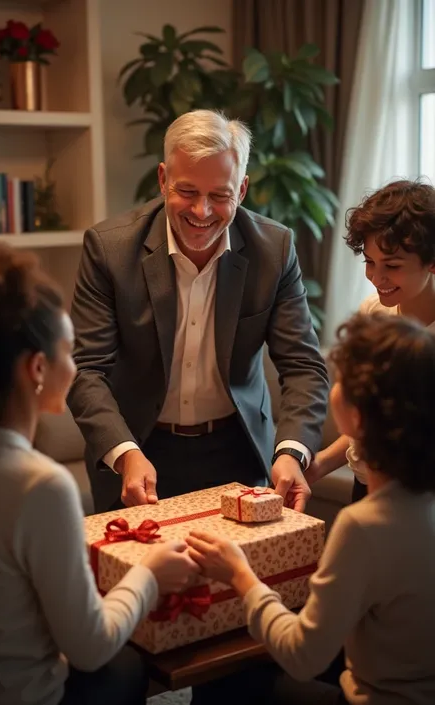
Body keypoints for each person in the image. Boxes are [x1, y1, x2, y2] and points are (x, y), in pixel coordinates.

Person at [0, 243, 198, 705]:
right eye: (71, 352)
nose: (77, 369)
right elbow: (90, 648)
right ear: (37, 369)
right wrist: (150, 574)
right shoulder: (40, 485)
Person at [68, 109, 328, 514]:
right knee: (138, 576)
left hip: (237, 452)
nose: (202, 211)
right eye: (187, 192)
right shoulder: (109, 250)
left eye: (219, 196)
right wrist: (124, 453)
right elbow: (87, 369)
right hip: (137, 452)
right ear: (162, 179)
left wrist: (292, 452)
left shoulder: (273, 250)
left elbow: (303, 366)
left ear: (241, 190)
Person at [187, 312, 435, 705]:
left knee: (235, 675)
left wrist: (240, 575)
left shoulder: (363, 526)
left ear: (357, 414)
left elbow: (302, 657)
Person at [306, 179, 435, 501]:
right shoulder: (373, 313)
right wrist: (319, 464)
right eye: (369, 262)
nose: (376, 278)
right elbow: (367, 425)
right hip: (367, 486)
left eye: (392, 265)